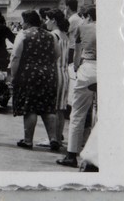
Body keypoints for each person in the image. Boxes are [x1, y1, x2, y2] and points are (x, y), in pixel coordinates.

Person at [9, 10, 60, 151]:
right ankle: (54, 139)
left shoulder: (23, 34)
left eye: (23, 21)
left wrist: (14, 76)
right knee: (47, 107)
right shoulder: (51, 36)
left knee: (30, 107)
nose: (22, 24)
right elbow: (57, 54)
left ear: (27, 21)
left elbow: (15, 57)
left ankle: (28, 140)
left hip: (28, 75)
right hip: (48, 75)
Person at [57, 5, 97, 168]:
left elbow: (77, 55)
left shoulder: (83, 28)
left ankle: (71, 155)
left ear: (87, 16)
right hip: (107, 69)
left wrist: (77, 67)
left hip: (88, 69)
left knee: (77, 114)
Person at [45, 8, 70, 146]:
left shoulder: (53, 35)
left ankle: (53, 138)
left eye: (48, 19)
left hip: (55, 74)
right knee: (60, 109)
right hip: (65, 75)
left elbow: (51, 57)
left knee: (52, 108)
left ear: (53, 20)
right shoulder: (65, 35)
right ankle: (58, 138)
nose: (46, 22)